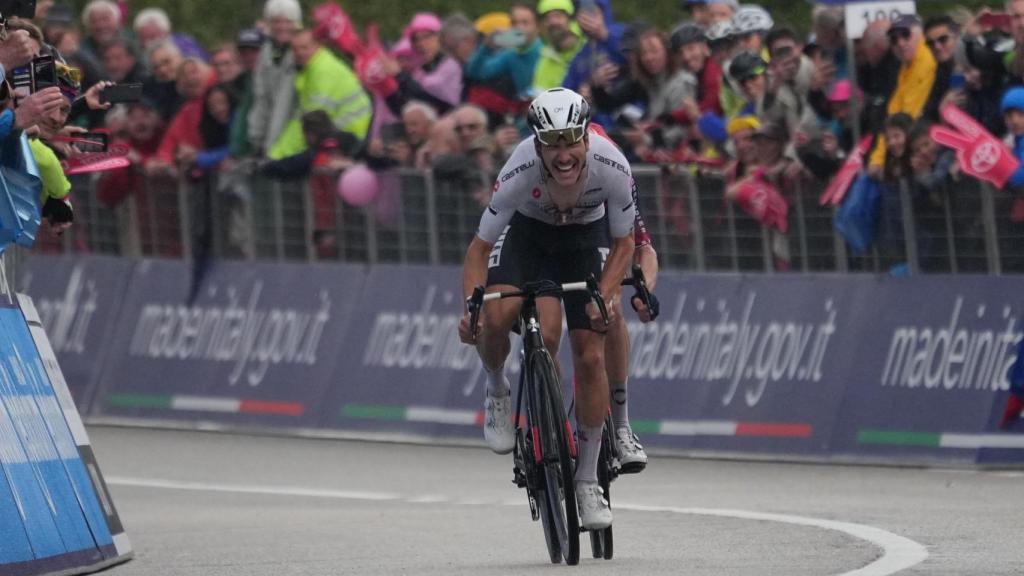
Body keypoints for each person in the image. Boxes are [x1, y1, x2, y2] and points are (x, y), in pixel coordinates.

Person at [458, 88, 636, 530]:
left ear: (585, 139)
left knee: (591, 353)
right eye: (552, 142)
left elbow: (624, 244)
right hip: (529, 236)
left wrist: (606, 296)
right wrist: (473, 307)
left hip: (582, 240)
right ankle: (497, 386)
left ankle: (587, 478)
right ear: (536, 143)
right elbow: (479, 250)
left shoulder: (612, 165)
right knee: (499, 316)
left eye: (571, 139)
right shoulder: (519, 167)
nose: (563, 154)